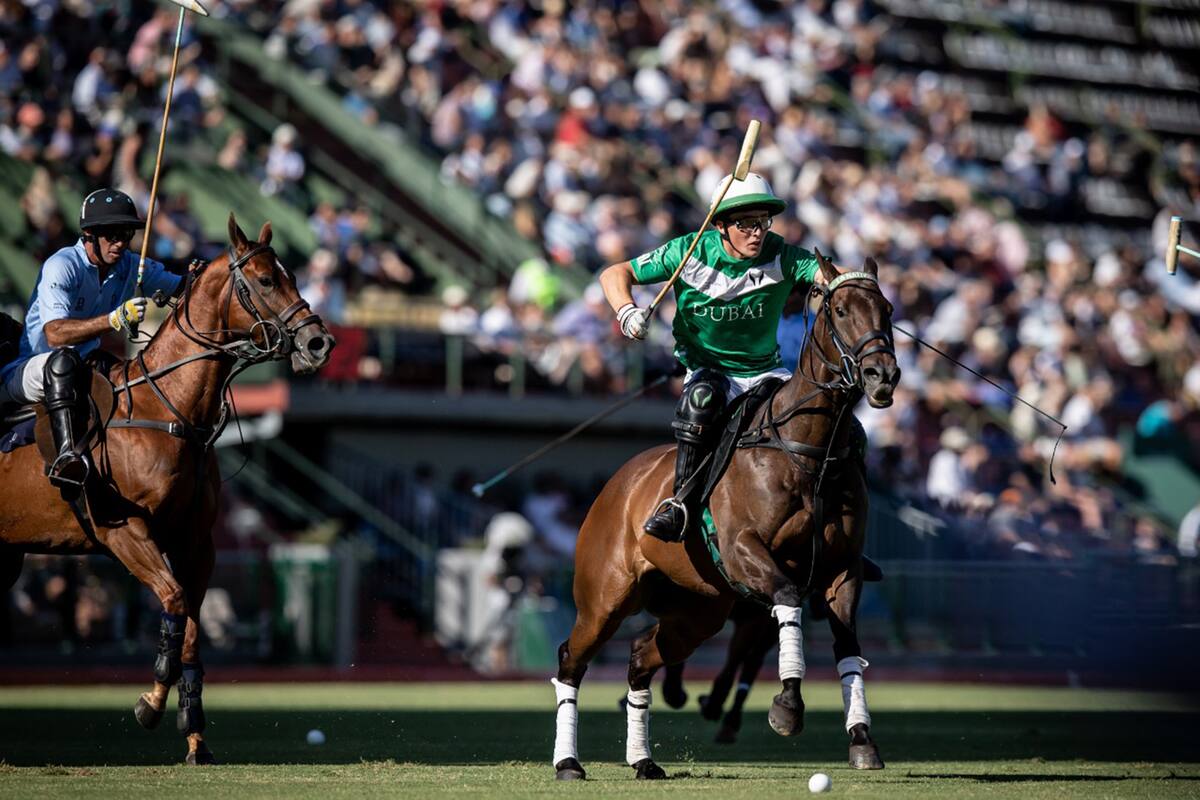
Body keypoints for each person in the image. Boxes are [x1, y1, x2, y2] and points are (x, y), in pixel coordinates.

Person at [599, 172, 845, 541]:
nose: (757, 233)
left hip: (766, 372)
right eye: (746, 224)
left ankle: (840, 527)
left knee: (840, 425)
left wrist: (849, 284)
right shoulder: (687, 251)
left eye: (762, 222)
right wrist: (627, 311)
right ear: (720, 225)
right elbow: (615, 273)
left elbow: (834, 276)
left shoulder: (782, 255)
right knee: (701, 401)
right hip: (708, 369)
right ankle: (680, 503)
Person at [0, 188, 182, 498]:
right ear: (89, 234)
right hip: (27, 371)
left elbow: (183, 287)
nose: (121, 242)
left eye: (126, 233)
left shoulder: (129, 265)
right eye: (111, 234)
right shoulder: (62, 264)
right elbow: (55, 335)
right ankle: (68, 458)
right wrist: (113, 319)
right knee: (63, 362)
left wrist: (209, 274)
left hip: (82, 369)